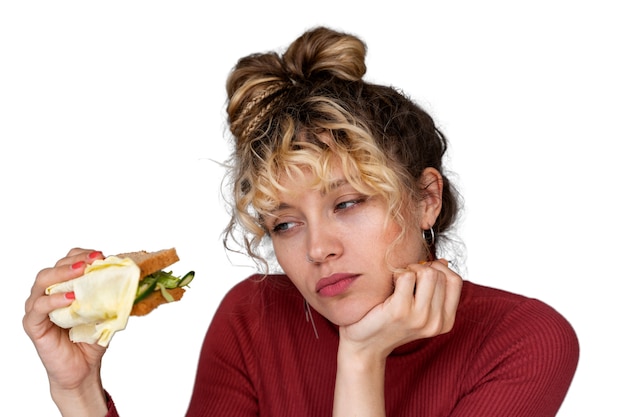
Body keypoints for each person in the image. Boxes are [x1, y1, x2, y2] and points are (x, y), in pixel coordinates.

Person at [23, 26, 579, 417]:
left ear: (425, 199)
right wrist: (78, 392)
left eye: (347, 204)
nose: (318, 250)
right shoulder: (255, 317)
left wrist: (361, 359)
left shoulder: (523, 341)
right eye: (285, 224)